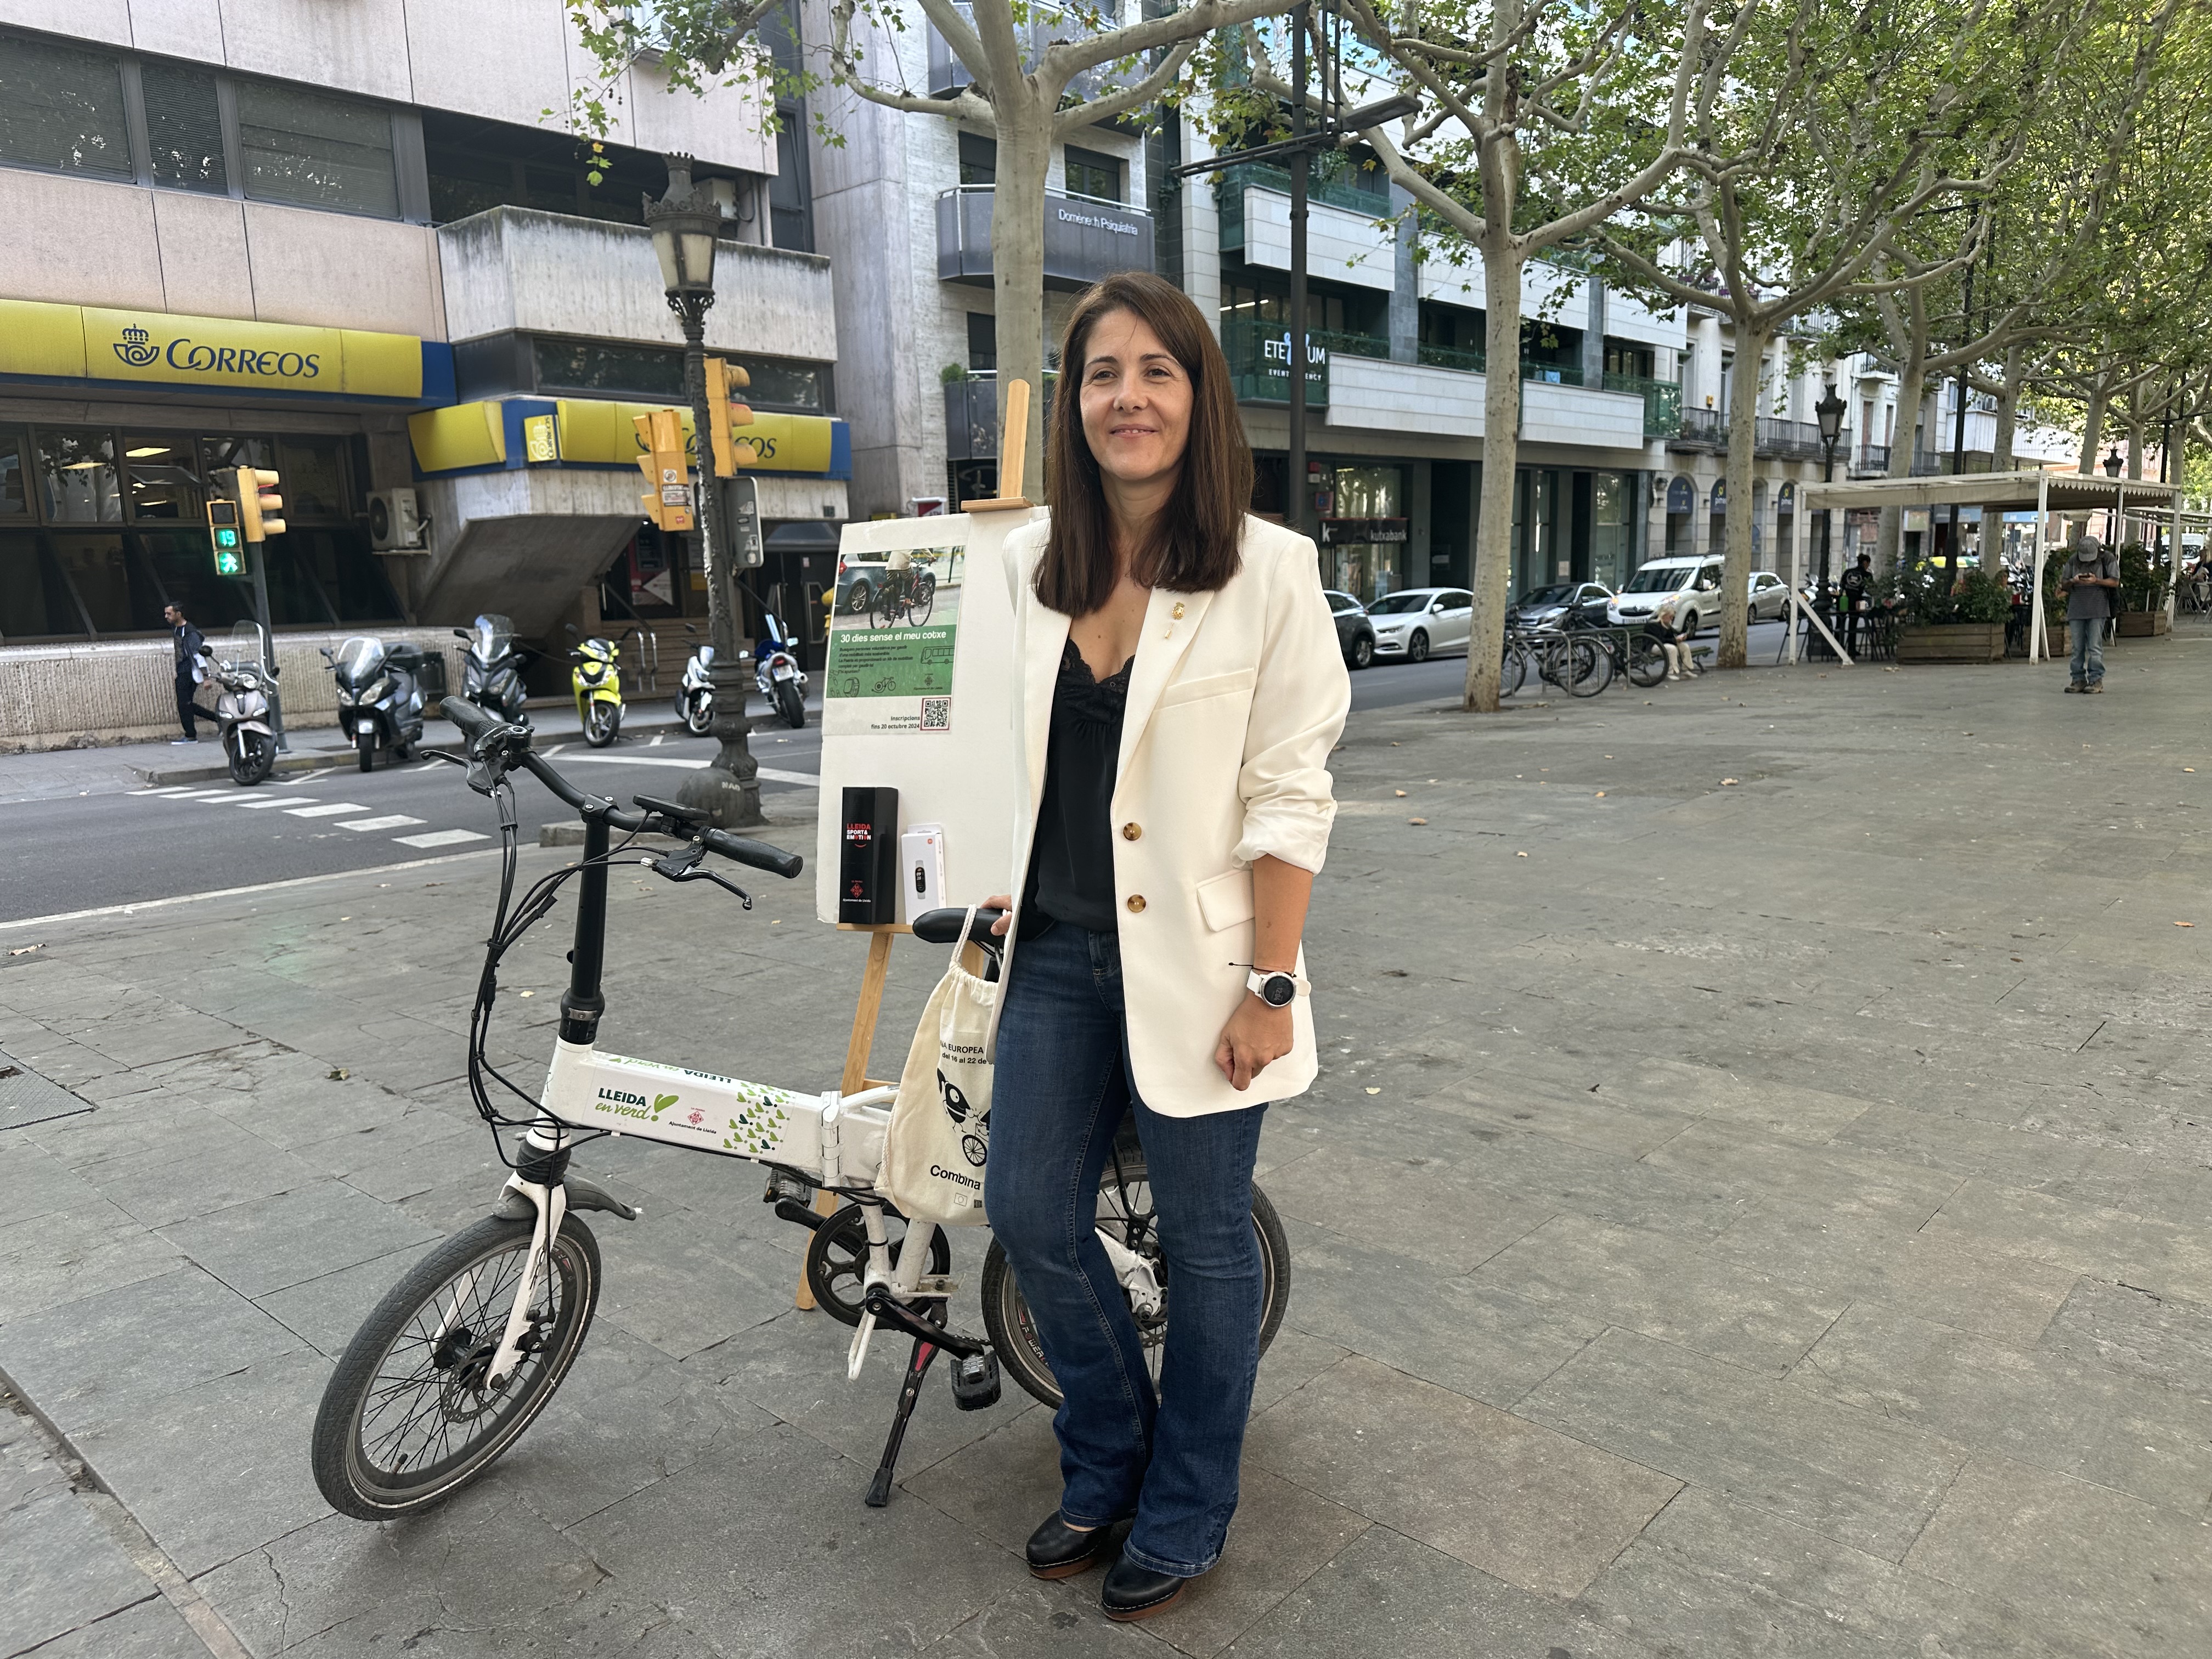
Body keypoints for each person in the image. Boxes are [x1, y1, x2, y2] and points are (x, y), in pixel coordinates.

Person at [977, 271, 1350, 1621]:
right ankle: (1110, 1452)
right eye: (1101, 374)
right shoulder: (1028, 568)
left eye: (1156, 371)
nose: (1126, 397)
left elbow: (1291, 795)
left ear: (1200, 397)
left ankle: (1188, 1504)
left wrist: (1271, 984)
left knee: (1203, 1241)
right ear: (1072, 405)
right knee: (1028, 1212)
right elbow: (1002, 759)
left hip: (1206, 971)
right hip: (1054, 959)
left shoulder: (1269, 571)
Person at [2059, 532, 2119, 692]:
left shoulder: (2107, 559)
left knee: (2094, 646)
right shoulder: (2073, 560)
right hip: (2077, 607)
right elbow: (2064, 584)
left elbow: (2115, 581)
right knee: (2077, 647)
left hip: (2098, 608)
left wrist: (2096, 581)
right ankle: (2078, 679)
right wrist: (2073, 581)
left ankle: (2096, 680)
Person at [164, 603, 206, 743]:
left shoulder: (190, 632)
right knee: (186, 705)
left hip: (189, 672)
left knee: (184, 705)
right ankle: (218, 719)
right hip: (182, 671)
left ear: (179, 614)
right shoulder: (177, 628)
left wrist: (206, 677)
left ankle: (191, 736)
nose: (166, 617)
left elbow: (199, 655)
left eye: (169, 614)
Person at [1644, 604, 1696, 679]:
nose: (1672, 619)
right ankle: (1671, 672)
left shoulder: (1667, 624)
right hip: (1653, 646)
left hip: (1664, 645)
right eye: (1670, 617)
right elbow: (1659, 640)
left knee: (1684, 646)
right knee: (1672, 649)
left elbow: (1673, 634)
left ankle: (1686, 669)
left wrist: (1681, 637)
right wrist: (1674, 640)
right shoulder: (1653, 624)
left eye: (1673, 617)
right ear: (1664, 615)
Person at [1839, 552, 1875, 655]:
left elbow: (1842, 585)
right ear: (1866, 563)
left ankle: (1838, 648)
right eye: (1868, 564)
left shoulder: (1848, 572)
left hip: (1844, 601)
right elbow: (1870, 590)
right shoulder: (1867, 575)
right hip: (1856, 602)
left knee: (1840, 624)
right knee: (1853, 625)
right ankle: (1851, 649)